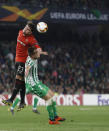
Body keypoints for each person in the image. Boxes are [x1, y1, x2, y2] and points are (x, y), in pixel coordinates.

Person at [2, 21, 46, 110]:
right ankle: (22, 102)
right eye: (26, 27)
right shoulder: (20, 32)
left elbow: (37, 46)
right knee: (21, 82)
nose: (26, 29)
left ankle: (11, 99)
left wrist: (39, 50)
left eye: (28, 29)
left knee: (18, 78)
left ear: (30, 32)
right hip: (17, 60)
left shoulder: (31, 39)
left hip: (23, 61)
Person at [24, 46, 65, 124]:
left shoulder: (33, 56)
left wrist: (42, 52)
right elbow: (27, 69)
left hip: (38, 82)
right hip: (34, 85)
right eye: (37, 52)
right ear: (33, 54)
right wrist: (25, 74)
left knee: (52, 96)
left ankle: (56, 116)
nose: (39, 53)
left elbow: (38, 51)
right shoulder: (29, 61)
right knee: (49, 99)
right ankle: (51, 120)